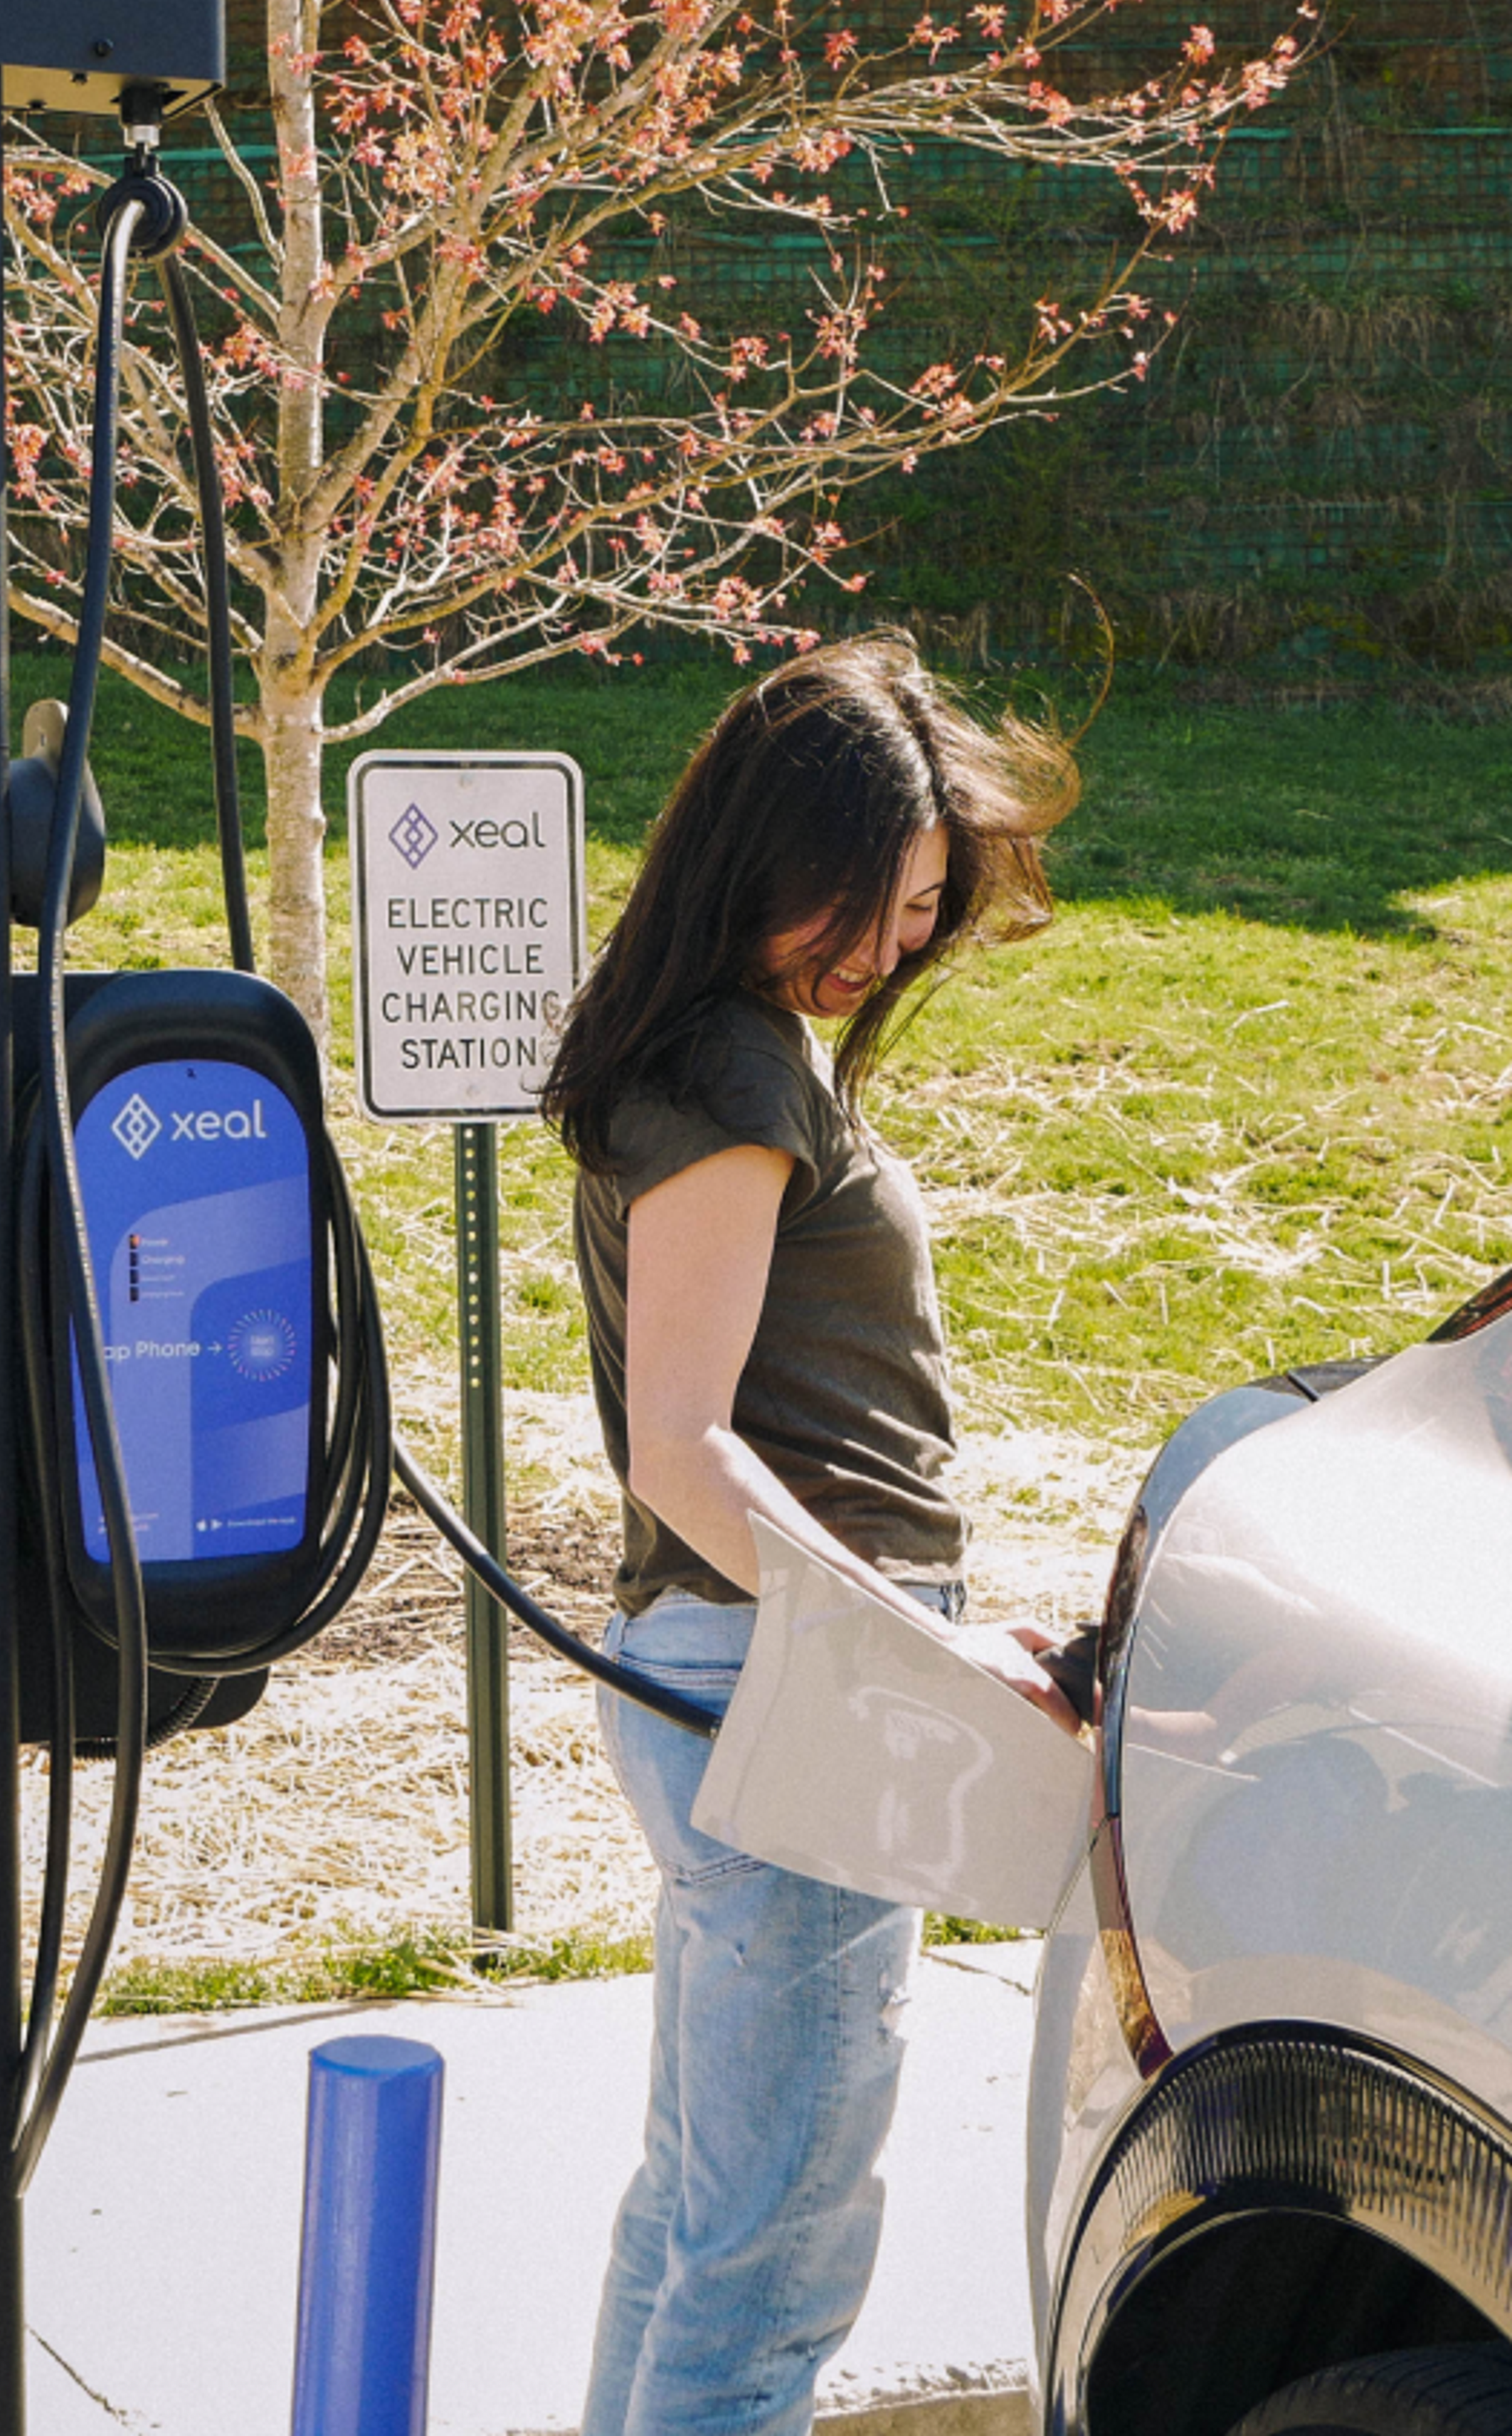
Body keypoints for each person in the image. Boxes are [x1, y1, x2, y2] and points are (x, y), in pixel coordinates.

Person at [539, 633, 1087, 2436]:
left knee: (699, 2209)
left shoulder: (699, 1040)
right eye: (857, 905)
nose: (883, 952)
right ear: (756, 856)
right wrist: (918, 1654)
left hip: (729, 1674)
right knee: (771, 2264)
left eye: (920, 912)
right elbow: (686, 1454)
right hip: (788, 1682)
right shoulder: (737, 1078)